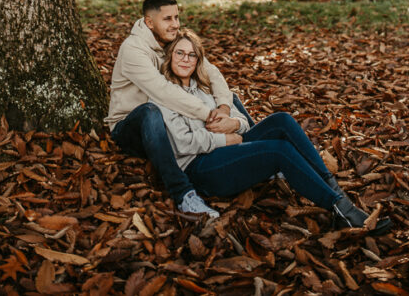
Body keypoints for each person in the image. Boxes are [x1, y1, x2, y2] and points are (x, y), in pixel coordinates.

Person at [154, 28, 393, 234]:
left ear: (198, 60)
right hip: (202, 168)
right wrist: (225, 138)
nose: (186, 59)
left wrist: (235, 124)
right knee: (278, 151)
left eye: (191, 55)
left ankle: (335, 191)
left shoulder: (203, 89)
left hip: (228, 148)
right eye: (179, 53)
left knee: (282, 120)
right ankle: (340, 211)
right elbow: (183, 144)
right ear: (170, 57)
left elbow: (240, 120)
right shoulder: (163, 95)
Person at [106, 0, 254, 218]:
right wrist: (208, 115)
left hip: (166, 120)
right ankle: (183, 195)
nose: (175, 24)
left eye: (176, 17)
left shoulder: (167, 40)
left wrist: (223, 109)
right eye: (168, 19)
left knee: (228, 98)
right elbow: (163, 92)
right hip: (131, 126)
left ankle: (256, 148)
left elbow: (211, 72)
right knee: (150, 112)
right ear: (149, 22)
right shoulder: (133, 50)